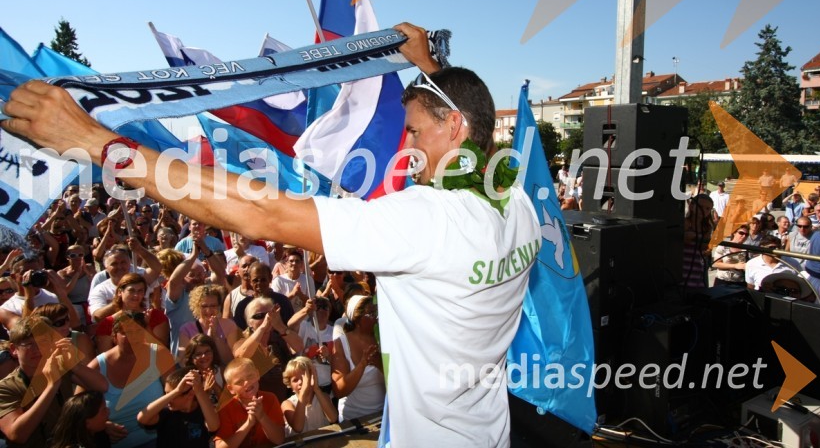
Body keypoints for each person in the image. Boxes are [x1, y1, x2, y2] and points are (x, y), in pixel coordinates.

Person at [1, 22, 544, 446]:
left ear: (453, 127)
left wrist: (95, 142)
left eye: (416, 132)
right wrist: (430, 70)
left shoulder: (425, 220)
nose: (409, 147)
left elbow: (260, 210)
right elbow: (472, 147)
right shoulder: (516, 202)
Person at [0, 316, 108, 448]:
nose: (37, 349)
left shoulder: (59, 367)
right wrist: (51, 386)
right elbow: (17, 435)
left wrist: (74, 365)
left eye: (43, 342)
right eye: (29, 344)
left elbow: (102, 386)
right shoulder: (6, 387)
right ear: (13, 349)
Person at [86, 313, 175, 448]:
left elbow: (176, 396)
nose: (133, 337)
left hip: (159, 439)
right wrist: (102, 425)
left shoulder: (159, 354)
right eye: (126, 332)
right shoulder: (98, 366)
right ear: (114, 336)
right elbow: (78, 410)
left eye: (138, 331)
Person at [330, 295, 385, 422]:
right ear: (357, 319)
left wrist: (379, 364)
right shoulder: (341, 343)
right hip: (354, 419)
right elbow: (339, 390)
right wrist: (362, 364)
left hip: (383, 414)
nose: (376, 317)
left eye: (377, 311)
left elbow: (397, 379)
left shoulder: (383, 337)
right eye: (371, 313)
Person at [136, 367, 220, 448]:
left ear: (190, 394)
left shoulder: (204, 411)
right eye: (167, 394)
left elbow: (214, 426)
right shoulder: (167, 412)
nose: (168, 399)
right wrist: (177, 391)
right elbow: (142, 418)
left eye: (172, 395)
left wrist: (199, 391)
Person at [215, 357, 286, 448]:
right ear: (231, 389)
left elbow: (279, 439)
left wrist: (262, 416)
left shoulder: (270, 399)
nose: (246, 383)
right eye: (239, 382)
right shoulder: (226, 408)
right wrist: (248, 424)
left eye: (250, 376)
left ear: (257, 374)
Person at [177, 284, 239, 365]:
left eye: (213, 306)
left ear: (219, 306)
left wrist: (215, 336)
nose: (209, 310)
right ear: (197, 306)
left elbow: (230, 361)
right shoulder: (186, 329)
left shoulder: (229, 325)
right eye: (204, 306)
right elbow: (183, 362)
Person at [281, 356, 338, 435]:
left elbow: (333, 418)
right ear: (290, 385)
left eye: (304, 378)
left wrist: (316, 389)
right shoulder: (287, 404)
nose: (300, 382)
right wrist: (303, 393)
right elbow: (298, 428)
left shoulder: (323, 397)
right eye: (295, 380)